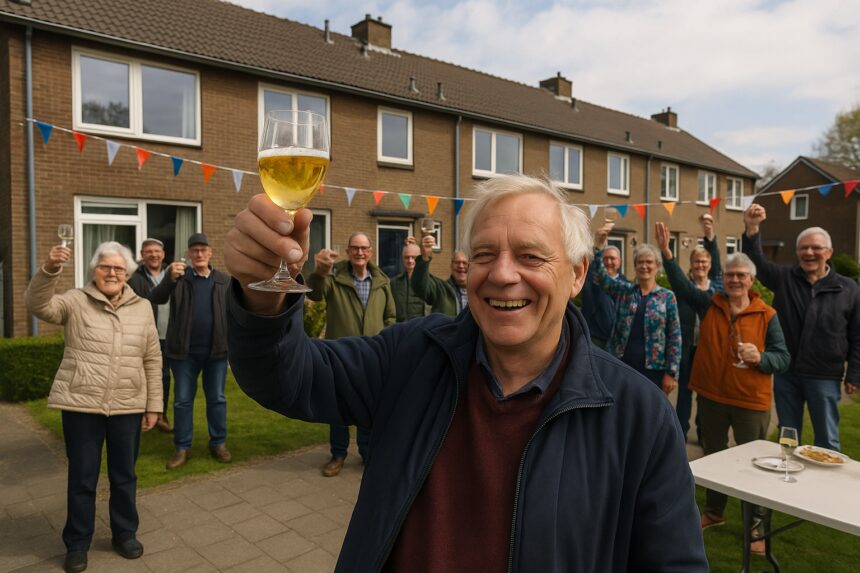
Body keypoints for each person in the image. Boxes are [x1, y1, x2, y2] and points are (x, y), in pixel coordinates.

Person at [223, 174, 707, 572]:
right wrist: (262, 296)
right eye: (483, 254)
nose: (501, 273)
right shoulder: (413, 356)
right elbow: (288, 378)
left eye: (530, 256)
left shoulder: (638, 418)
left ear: (578, 274)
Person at [25, 241, 162, 573]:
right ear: (94, 271)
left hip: (128, 405)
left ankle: (124, 533)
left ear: (128, 272)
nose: (112, 273)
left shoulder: (142, 306)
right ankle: (77, 543)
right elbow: (38, 304)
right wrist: (49, 268)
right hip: (82, 406)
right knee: (83, 478)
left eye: (118, 268)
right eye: (105, 267)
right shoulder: (75, 300)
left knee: (124, 476)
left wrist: (154, 404)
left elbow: (152, 356)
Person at [659, 230, 790, 553]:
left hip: (750, 401)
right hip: (712, 397)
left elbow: (783, 357)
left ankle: (757, 526)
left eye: (741, 275)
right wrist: (667, 255)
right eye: (730, 274)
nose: (734, 280)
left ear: (752, 280)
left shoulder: (767, 315)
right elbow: (682, 286)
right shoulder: (710, 304)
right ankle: (715, 512)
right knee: (715, 456)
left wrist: (761, 358)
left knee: (755, 463)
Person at [743, 204, 860, 451]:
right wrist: (752, 228)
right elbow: (757, 262)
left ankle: (823, 489)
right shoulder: (785, 279)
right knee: (788, 438)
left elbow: (857, 335)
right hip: (787, 373)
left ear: (829, 252)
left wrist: (854, 374)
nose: (809, 252)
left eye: (816, 247)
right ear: (797, 252)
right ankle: (786, 485)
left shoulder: (848, 288)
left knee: (827, 440)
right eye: (803, 248)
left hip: (825, 375)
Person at [307, 232, 396, 476]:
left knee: (369, 408)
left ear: (370, 252)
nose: (359, 252)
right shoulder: (335, 278)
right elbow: (313, 293)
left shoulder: (381, 281)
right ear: (348, 252)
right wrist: (319, 272)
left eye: (364, 248)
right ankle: (338, 455)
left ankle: (367, 454)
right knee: (339, 409)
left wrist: (386, 343)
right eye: (355, 248)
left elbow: (391, 316)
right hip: (341, 357)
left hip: (373, 358)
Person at [150, 233, 232, 469]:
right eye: (194, 250)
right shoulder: (179, 278)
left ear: (210, 253)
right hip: (184, 353)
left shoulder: (223, 281)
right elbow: (156, 297)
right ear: (188, 254)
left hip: (216, 352)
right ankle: (182, 447)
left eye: (203, 250)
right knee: (183, 401)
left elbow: (235, 313)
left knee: (217, 399)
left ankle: (218, 442)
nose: (198, 254)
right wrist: (168, 278)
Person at [656, 216, 723, 442]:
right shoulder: (684, 289)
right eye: (696, 262)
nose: (701, 265)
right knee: (684, 394)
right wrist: (666, 252)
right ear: (691, 265)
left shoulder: (718, 288)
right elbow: (677, 278)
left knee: (705, 395)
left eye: (704, 262)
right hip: (686, 349)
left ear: (710, 265)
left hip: (707, 350)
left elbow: (719, 265)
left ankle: (704, 433)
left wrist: (710, 235)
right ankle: (680, 434)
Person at [593, 227, 681, 395]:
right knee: (621, 410)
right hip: (622, 364)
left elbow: (675, 337)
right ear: (635, 266)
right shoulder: (624, 291)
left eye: (649, 262)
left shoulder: (666, 297)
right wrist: (598, 247)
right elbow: (599, 276)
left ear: (657, 266)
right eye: (640, 262)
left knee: (650, 414)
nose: (644, 266)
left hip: (654, 370)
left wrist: (671, 372)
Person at [127, 238, 183, 433]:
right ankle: (142, 415)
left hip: (171, 336)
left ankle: (160, 415)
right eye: (149, 251)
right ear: (142, 255)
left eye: (157, 251)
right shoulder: (133, 278)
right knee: (144, 377)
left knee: (165, 377)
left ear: (163, 254)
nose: (153, 255)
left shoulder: (175, 275)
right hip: (146, 336)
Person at [580, 244, 627, 349]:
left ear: (619, 262)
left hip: (618, 343)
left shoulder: (626, 286)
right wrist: (598, 247)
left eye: (612, 258)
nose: (608, 262)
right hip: (596, 340)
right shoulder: (592, 282)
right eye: (605, 259)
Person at [411, 234, 469, 316]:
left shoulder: (479, 292)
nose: (461, 266)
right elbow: (419, 286)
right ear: (451, 266)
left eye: (464, 263)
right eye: (457, 262)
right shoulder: (441, 289)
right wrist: (425, 257)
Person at [390, 240, 426, 322]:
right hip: (400, 331)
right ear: (402, 259)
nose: (410, 261)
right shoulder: (394, 283)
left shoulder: (428, 283)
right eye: (407, 257)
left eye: (414, 257)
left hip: (420, 330)